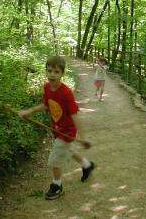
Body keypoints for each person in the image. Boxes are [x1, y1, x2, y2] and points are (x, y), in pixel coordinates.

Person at [18, 55, 95, 200]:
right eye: (49, 71)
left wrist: (83, 137)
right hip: (57, 128)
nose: (52, 75)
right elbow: (46, 104)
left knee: (54, 159)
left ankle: (57, 185)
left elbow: (75, 115)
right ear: (46, 71)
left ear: (62, 74)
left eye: (56, 72)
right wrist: (29, 111)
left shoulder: (66, 93)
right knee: (69, 150)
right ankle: (87, 165)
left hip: (66, 132)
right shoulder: (47, 87)